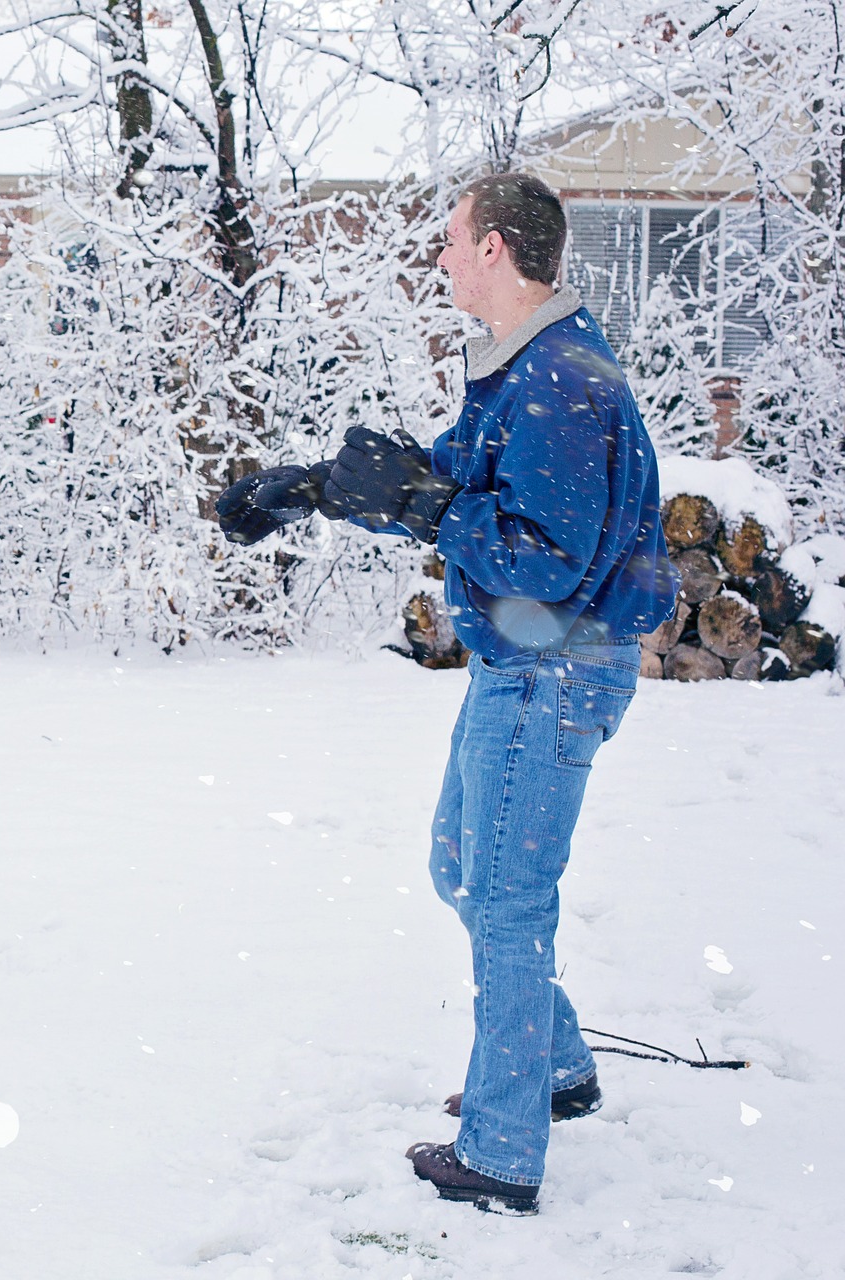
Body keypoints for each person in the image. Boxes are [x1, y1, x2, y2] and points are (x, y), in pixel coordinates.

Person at [215, 174, 678, 1214]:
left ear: (500, 250)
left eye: (452, 240)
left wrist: (432, 512)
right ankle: (553, 1065)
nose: (440, 258)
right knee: (461, 864)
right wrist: (313, 488)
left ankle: (503, 1152)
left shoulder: (560, 379)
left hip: (553, 663)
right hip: (528, 663)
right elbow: (448, 483)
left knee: (506, 900)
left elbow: (542, 557)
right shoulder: (530, 368)